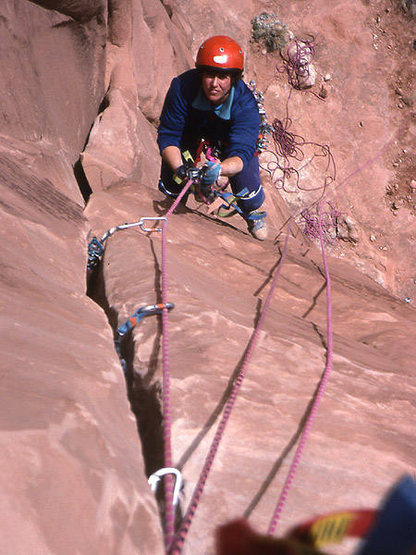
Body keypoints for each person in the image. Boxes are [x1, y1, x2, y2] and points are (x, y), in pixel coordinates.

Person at [157, 35, 268, 240]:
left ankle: (252, 211)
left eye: (222, 77)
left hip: (227, 139)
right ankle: (172, 194)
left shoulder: (245, 105)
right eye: (209, 75)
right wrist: (179, 168)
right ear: (200, 74)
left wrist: (220, 169)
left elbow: (242, 153)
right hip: (192, 131)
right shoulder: (183, 88)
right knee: (173, 175)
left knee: (247, 183)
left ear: (233, 79)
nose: (214, 84)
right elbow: (169, 135)